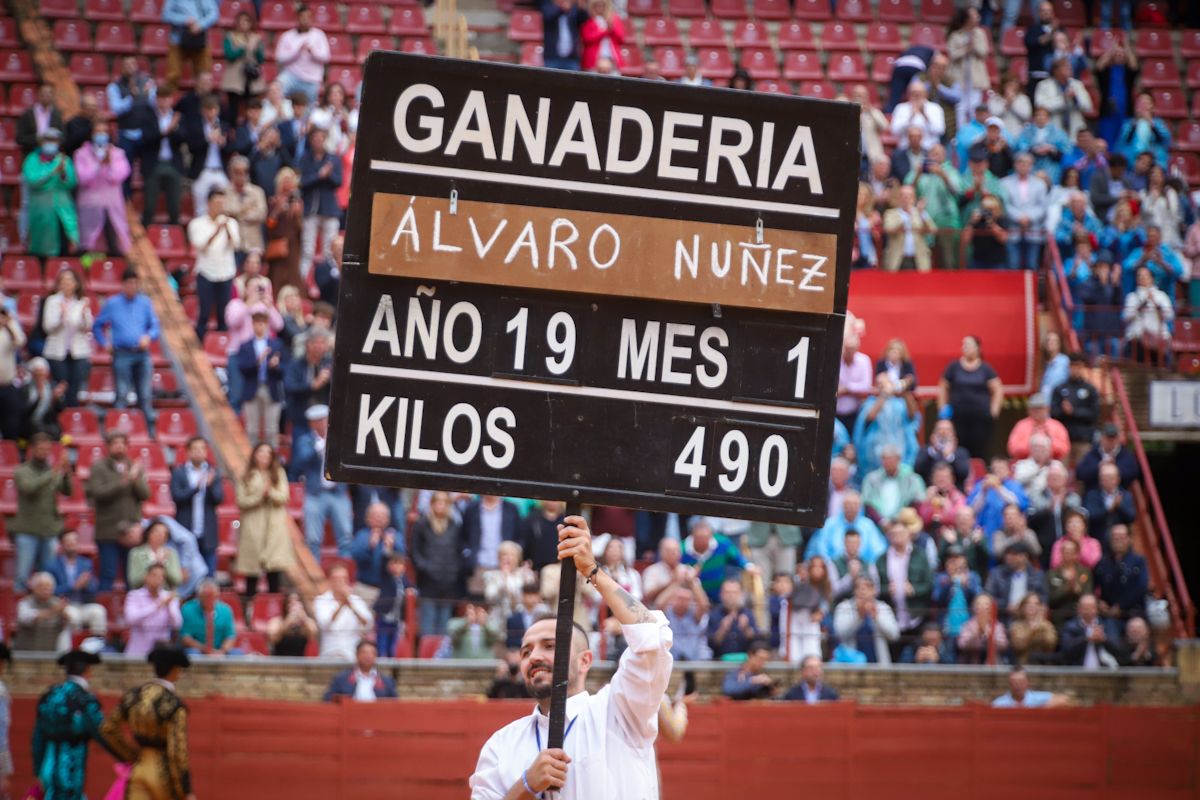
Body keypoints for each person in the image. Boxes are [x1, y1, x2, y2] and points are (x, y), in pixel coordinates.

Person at [469, 511, 671, 799]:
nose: (534, 656)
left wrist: (592, 570)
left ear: (585, 660)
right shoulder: (502, 744)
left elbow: (652, 634)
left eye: (550, 646)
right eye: (526, 651)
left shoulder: (620, 711)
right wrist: (525, 786)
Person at [99, 644, 195, 800]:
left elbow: (107, 729)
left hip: (138, 769)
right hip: (163, 774)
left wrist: (129, 755)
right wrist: (185, 789)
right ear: (176, 670)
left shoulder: (134, 696)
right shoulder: (173, 704)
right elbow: (177, 751)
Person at [32, 649, 109, 799]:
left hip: (48, 765)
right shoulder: (85, 699)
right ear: (88, 670)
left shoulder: (50, 695)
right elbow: (103, 733)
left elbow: (38, 737)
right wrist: (127, 757)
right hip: (72, 769)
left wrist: (38, 770)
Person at [93, 269, 162, 435]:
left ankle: (149, 434)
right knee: (122, 394)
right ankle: (117, 434)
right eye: (129, 283)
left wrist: (148, 336)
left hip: (142, 353)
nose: (132, 286)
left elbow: (155, 326)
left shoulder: (145, 303)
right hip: (122, 353)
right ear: (123, 285)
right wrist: (104, 343)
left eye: (135, 283)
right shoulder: (112, 303)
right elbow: (97, 326)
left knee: (145, 395)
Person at [86, 431, 151, 590]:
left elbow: (145, 494)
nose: (119, 447)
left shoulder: (133, 466)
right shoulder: (98, 467)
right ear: (108, 446)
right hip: (108, 530)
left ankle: (134, 612)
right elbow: (97, 493)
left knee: (133, 577)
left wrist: (136, 480)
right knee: (108, 575)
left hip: (132, 532)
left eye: (122, 443)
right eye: (115, 443)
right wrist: (123, 481)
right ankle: (105, 611)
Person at [12, 432, 73, 590]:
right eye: (41, 449)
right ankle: (19, 612)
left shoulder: (51, 472)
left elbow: (67, 491)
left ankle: (46, 612)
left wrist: (66, 473)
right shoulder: (22, 470)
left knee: (47, 577)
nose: (44, 452)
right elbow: (29, 489)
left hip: (49, 530)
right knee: (22, 576)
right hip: (27, 530)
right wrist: (53, 472)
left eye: (47, 449)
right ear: (32, 449)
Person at [292, 404, 353, 557]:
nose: (322, 423)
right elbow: (302, 460)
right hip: (315, 493)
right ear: (311, 423)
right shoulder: (305, 440)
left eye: (324, 419)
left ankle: (344, 572)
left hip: (338, 492)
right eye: (318, 420)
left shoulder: (341, 438)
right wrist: (319, 448)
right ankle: (314, 576)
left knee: (346, 536)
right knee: (312, 539)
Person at [235, 442, 293, 597]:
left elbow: (284, 496)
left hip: (274, 527)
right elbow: (241, 501)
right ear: (255, 454)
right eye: (261, 452)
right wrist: (259, 496)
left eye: (268, 453)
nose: (264, 456)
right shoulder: (246, 474)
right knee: (251, 573)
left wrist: (271, 493)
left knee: (274, 572)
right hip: (253, 526)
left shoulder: (278, 473)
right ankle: (250, 609)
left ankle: (273, 611)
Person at [938, 335, 1003, 458]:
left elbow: (997, 389)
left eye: (968, 345)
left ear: (978, 348)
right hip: (958, 417)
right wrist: (943, 410)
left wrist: (994, 411)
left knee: (979, 449)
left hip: (980, 419)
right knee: (958, 448)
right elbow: (943, 387)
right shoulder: (954, 367)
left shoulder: (986, 369)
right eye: (963, 345)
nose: (965, 347)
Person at [411, 491, 465, 637]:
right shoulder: (422, 524)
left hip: (448, 583)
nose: (440, 506)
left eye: (444, 503)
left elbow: (458, 552)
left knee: (444, 630)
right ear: (431, 504)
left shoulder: (454, 525)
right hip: (428, 583)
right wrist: (426, 569)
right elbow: (415, 552)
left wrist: (453, 572)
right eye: (437, 502)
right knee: (427, 629)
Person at [188, 187, 240, 340]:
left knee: (223, 314)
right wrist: (216, 230)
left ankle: (222, 344)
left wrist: (227, 229)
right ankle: (199, 343)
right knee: (204, 312)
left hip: (226, 272)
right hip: (206, 272)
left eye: (222, 202)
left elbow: (236, 244)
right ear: (209, 203)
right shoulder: (197, 223)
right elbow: (200, 245)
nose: (220, 206)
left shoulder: (231, 223)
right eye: (217, 202)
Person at [73, 126, 133, 255]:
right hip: (90, 204)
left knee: (114, 242)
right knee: (88, 245)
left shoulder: (117, 153)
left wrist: (109, 163)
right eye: (97, 132)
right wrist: (98, 165)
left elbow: (119, 175)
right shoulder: (81, 154)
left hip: (112, 203)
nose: (101, 135)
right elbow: (83, 178)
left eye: (104, 132)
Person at [169, 436, 223, 576]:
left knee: (209, 575)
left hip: (207, 532)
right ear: (188, 452)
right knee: (186, 575)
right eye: (195, 449)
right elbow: (177, 497)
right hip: (186, 530)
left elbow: (219, 499)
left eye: (202, 449)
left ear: (206, 451)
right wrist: (196, 488)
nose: (198, 452)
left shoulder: (213, 472)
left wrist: (209, 487)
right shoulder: (179, 472)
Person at [23, 128, 79, 259]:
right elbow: (32, 180)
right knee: (40, 249)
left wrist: (63, 175)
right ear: (41, 142)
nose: (51, 143)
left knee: (63, 248)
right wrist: (51, 172)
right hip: (40, 210)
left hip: (62, 210)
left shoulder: (64, 160)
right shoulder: (32, 160)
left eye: (54, 140)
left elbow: (71, 182)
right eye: (48, 140)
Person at [236, 306, 287, 446]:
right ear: (252, 324)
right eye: (257, 322)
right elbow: (242, 368)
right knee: (252, 429)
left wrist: (275, 365)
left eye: (263, 322)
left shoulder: (277, 344)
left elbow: (285, 368)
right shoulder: (245, 345)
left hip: (271, 388)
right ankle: (252, 461)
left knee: (272, 429)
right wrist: (258, 361)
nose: (260, 325)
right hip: (253, 388)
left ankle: (272, 462)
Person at [905, 143, 961, 269]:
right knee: (924, 259)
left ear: (944, 155)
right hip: (922, 221)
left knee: (947, 259)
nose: (935, 156)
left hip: (946, 221)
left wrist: (943, 175)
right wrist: (918, 174)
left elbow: (957, 191)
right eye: (933, 153)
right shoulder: (919, 170)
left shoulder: (950, 170)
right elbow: (907, 191)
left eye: (939, 153)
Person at [297, 127, 342, 282]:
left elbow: (338, 181)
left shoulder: (333, 158)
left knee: (329, 251)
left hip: (329, 208)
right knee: (307, 249)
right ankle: (302, 283)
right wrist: (320, 175)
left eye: (321, 138)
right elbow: (301, 182)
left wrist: (326, 176)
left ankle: (327, 281)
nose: (318, 141)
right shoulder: (305, 158)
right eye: (315, 138)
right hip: (311, 209)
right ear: (311, 140)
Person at [42, 269, 92, 405]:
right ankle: (58, 417)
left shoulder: (81, 302)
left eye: (70, 280)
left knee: (74, 388)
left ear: (76, 284)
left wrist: (83, 314)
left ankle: (71, 416)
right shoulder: (52, 301)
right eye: (63, 280)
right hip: (57, 352)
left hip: (78, 351)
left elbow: (87, 326)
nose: (67, 284)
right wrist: (61, 316)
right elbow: (48, 327)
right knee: (61, 387)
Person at [45, 529, 108, 638]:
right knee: (72, 615)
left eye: (74, 540)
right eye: (67, 541)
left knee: (99, 611)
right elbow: (50, 591)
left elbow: (94, 589)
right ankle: (75, 648)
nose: (71, 544)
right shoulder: (52, 565)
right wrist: (73, 586)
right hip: (64, 605)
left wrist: (88, 584)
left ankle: (97, 645)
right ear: (61, 544)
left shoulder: (86, 563)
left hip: (83, 604)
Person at [107, 57, 157, 189]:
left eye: (132, 64)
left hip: (145, 134)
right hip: (125, 135)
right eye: (126, 65)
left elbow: (156, 106)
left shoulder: (147, 83)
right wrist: (132, 98)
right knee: (125, 173)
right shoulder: (114, 86)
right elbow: (116, 109)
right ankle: (125, 203)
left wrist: (149, 95)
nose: (130, 67)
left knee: (149, 172)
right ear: (122, 68)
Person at [681, 518, 757, 604]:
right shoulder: (682, 549)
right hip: (694, 599)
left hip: (719, 597)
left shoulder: (722, 543)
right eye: (699, 538)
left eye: (705, 538)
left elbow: (737, 557)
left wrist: (748, 566)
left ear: (711, 536)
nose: (703, 541)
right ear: (693, 536)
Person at [143, 84, 186, 227]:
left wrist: (174, 130)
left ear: (171, 100)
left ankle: (176, 238)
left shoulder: (178, 117)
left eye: (167, 98)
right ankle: (145, 237)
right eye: (161, 98)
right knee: (149, 206)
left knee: (175, 207)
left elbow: (184, 139)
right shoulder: (148, 117)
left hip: (172, 164)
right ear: (156, 100)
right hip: (154, 165)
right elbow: (146, 139)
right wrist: (165, 131)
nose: (164, 101)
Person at [833, 576, 899, 665]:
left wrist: (877, 618)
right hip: (850, 665)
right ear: (854, 591)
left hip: (879, 665)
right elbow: (839, 635)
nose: (863, 591)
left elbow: (894, 636)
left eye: (867, 587)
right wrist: (859, 617)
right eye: (858, 587)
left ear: (874, 591)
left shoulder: (883, 607)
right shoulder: (843, 607)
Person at [314, 563, 374, 660]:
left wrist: (352, 606)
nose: (341, 582)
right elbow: (324, 624)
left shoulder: (356, 600)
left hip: (352, 653)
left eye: (344, 579)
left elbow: (368, 624)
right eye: (337, 579)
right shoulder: (321, 600)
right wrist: (341, 604)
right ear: (329, 581)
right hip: (329, 653)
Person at [1000, 153, 1049, 270]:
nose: (1024, 166)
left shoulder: (1040, 184)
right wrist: (1019, 217)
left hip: (1033, 230)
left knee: (1032, 265)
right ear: (1015, 165)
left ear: (1032, 166)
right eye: (1021, 163)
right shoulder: (1004, 183)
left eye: (1027, 164)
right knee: (1013, 264)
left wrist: (1029, 218)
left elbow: (1042, 207)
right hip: (1012, 230)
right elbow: (1004, 205)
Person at [187, 95, 233, 217]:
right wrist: (207, 139)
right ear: (203, 111)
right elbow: (192, 148)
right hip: (202, 170)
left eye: (214, 109)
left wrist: (223, 143)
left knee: (227, 201)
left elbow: (231, 149)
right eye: (208, 109)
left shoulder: (224, 126)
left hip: (220, 170)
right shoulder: (195, 126)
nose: (211, 113)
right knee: (200, 208)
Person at [123, 563, 182, 657]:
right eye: (154, 575)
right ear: (146, 577)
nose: (158, 579)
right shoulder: (134, 596)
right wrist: (157, 606)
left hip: (161, 653)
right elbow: (130, 619)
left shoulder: (169, 598)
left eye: (162, 576)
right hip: (137, 652)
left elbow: (177, 624)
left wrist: (169, 606)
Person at [275, 5, 331, 103]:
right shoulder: (287, 36)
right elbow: (280, 58)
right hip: (291, 76)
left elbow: (326, 57)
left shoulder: (319, 35)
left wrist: (313, 52)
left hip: (312, 79)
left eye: (308, 17)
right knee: (276, 88)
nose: (305, 19)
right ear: (297, 18)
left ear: (311, 18)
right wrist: (297, 52)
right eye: (302, 17)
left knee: (309, 109)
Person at [946, 8, 990, 128]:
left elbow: (984, 53)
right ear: (967, 19)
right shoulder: (955, 35)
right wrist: (966, 49)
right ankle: (961, 134)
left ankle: (974, 134)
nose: (978, 18)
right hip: (959, 77)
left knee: (974, 107)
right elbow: (953, 54)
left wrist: (974, 46)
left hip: (975, 77)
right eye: (974, 16)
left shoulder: (980, 33)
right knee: (960, 107)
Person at [985, 541, 1047, 624]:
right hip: (1004, 617)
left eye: (1013, 554)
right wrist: (1006, 605)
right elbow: (988, 596)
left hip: (1030, 618)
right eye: (1007, 554)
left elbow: (1043, 599)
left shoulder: (1038, 575)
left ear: (1024, 557)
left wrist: (1027, 607)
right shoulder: (996, 574)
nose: (1008, 557)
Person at [860, 445, 925, 523]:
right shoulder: (871, 479)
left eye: (890, 459)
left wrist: (900, 520)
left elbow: (918, 501)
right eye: (884, 459)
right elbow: (867, 503)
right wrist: (882, 521)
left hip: (905, 523)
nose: (887, 463)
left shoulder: (912, 479)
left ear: (898, 459)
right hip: (877, 523)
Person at [221, 11, 266, 123]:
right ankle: (231, 130)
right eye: (241, 21)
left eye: (246, 21)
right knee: (233, 108)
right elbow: (229, 55)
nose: (244, 24)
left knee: (251, 106)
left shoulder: (256, 38)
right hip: (235, 78)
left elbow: (261, 59)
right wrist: (243, 47)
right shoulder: (230, 37)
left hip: (251, 78)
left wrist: (257, 49)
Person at [162, 0, 218, 92]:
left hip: (200, 41)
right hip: (177, 41)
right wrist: (184, 20)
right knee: (173, 75)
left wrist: (200, 25)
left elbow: (214, 14)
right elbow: (166, 15)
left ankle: (204, 102)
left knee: (204, 76)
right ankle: (167, 102)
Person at [284, 329, 333, 429]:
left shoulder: (330, 364)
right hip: (302, 418)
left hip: (326, 419)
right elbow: (289, 387)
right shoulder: (296, 364)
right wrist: (312, 385)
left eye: (323, 343)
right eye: (316, 342)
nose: (319, 347)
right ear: (308, 344)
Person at [1034, 57, 1093, 140]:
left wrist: (1075, 99)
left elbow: (1088, 106)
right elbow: (1041, 107)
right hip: (1053, 127)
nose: (1069, 69)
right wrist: (1063, 99)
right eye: (1066, 67)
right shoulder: (1043, 86)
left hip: (1075, 128)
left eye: (1070, 67)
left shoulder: (1077, 84)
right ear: (1056, 70)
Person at [882, 185, 937, 272]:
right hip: (897, 260)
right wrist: (907, 218)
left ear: (914, 198)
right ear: (899, 197)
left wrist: (921, 213)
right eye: (903, 195)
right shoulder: (891, 213)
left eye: (909, 195)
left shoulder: (920, 213)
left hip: (918, 260)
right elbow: (888, 229)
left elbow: (933, 230)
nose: (906, 198)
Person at [179, 579, 239, 656]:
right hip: (197, 649)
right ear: (199, 596)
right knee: (193, 654)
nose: (209, 599)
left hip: (219, 649)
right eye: (206, 596)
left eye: (212, 596)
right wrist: (205, 649)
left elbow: (230, 636)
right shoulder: (187, 609)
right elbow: (185, 637)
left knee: (237, 654)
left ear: (217, 595)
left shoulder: (226, 610)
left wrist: (222, 651)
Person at [1059, 594, 1121, 668]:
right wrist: (1086, 638)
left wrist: (1104, 639)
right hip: (1077, 673)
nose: (1088, 611)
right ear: (1078, 609)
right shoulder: (1070, 626)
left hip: (1104, 673)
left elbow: (1119, 649)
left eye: (1091, 607)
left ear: (1097, 609)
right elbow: (1066, 650)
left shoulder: (1107, 625)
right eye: (1085, 608)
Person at [324, 640, 397, 702]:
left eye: (372, 653)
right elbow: (327, 700)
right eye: (364, 653)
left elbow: (395, 704)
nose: (368, 656)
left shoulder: (386, 681)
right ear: (357, 655)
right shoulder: (342, 678)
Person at [16, 572, 72, 651]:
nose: (45, 589)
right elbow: (28, 618)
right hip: (26, 655)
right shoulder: (24, 603)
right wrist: (53, 611)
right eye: (40, 586)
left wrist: (65, 616)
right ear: (33, 588)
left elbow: (71, 623)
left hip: (51, 656)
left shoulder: (58, 603)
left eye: (48, 586)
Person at [224, 155, 267, 259]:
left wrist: (237, 215)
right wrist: (246, 209)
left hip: (253, 244)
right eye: (237, 172)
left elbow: (261, 214)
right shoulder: (224, 192)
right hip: (232, 245)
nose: (241, 175)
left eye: (244, 171)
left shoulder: (257, 192)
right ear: (231, 173)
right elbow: (225, 212)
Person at [1077, 423, 1139, 493]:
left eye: (1113, 438)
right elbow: (1080, 473)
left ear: (1118, 439)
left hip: (1120, 492)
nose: (1110, 441)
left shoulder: (1125, 454)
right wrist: (1099, 466)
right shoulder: (1093, 453)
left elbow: (1133, 473)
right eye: (1108, 438)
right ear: (1102, 438)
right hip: (1094, 492)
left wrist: (1115, 468)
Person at [1115, 92, 1172, 169]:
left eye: (1146, 103)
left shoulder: (1159, 124)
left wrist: (1151, 123)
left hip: (1154, 163)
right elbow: (1122, 144)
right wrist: (1135, 124)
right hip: (1132, 164)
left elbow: (1165, 141)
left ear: (1153, 107)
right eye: (1140, 102)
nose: (1143, 105)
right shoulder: (1128, 124)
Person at [1082, 463, 1136, 542]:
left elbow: (1131, 517)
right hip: (1097, 538)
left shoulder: (1125, 495)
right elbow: (1089, 515)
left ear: (1118, 479)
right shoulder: (1091, 495)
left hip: (1119, 540)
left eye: (1111, 478)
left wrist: (1119, 506)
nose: (1107, 481)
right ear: (1099, 479)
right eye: (1104, 478)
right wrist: (1108, 509)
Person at [707, 578, 758, 659]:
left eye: (734, 592)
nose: (731, 596)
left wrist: (746, 629)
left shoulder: (748, 613)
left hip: (744, 662)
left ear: (740, 594)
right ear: (721, 594)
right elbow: (711, 644)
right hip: (720, 663)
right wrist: (722, 629)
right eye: (727, 592)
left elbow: (756, 641)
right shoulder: (714, 614)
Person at [127, 519, 184, 590]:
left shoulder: (171, 553)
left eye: (164, 533)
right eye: (157, 532)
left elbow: (177, 580)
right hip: (142, 595)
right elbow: (134, 581)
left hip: (166, 595)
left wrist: (163, 566)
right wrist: (154, 566)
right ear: (148, 533)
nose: (160, 535)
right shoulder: (136, 553)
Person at [890, 81, 945, 152]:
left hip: (929, 149)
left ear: (925, 94)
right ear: (908, 94)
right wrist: (910, 117)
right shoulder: (901, 108)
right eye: (914, 93)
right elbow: (895, 131)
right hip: (906, 150)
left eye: (919, 93)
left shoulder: (935, 108)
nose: (916, 95)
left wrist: (925, 116)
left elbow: (940, 130)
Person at [956, 594, 1008, 665]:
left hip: (992, 664)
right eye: (979, 604)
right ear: (974, 608)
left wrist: (988, 635)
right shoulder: (967, 625)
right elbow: (961, 644)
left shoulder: (998, 626)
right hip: (971, 662)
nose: (983, 607)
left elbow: (1003, 644)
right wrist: (976, 634)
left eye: (986, 604)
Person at [269, 591, 319, 657]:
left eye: (297, 601)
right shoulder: (277, 621)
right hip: (279, 663)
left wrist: (304, 618)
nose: (294, 605)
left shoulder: (306, 622)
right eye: (290, 602)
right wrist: (287, 622)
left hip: (299, 663)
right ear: (285, 604)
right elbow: (273, 639)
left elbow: (313, 635)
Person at [992, 666, 1066, 707]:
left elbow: (1064, 699)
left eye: (1021, 682)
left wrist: (1039, 711)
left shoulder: (1036, 698)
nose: (1018, 685)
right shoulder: (999, 703)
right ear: (1009, 683)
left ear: (1027, 682)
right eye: (1014, 682)